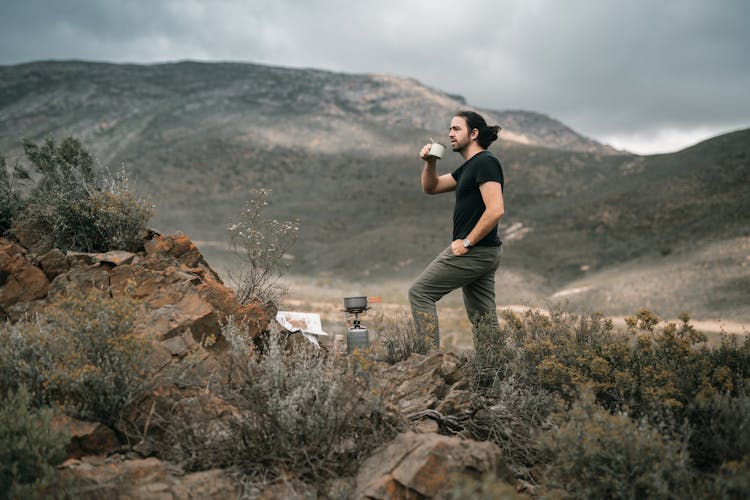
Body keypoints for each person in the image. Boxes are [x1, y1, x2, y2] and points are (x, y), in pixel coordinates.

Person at [408, 110, 505, 349]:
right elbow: (432, 187)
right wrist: (431, 162)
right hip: (485, 252)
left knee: (420, 293)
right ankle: (492, 374)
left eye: (456, 129)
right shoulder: (469, 167)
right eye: (449, 129)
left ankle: (429, 362)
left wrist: (467, 242)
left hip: (475, 250)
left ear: (474, 134)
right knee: (483, 319)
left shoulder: (485, 162)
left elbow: (495, 210)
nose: (450, 134)